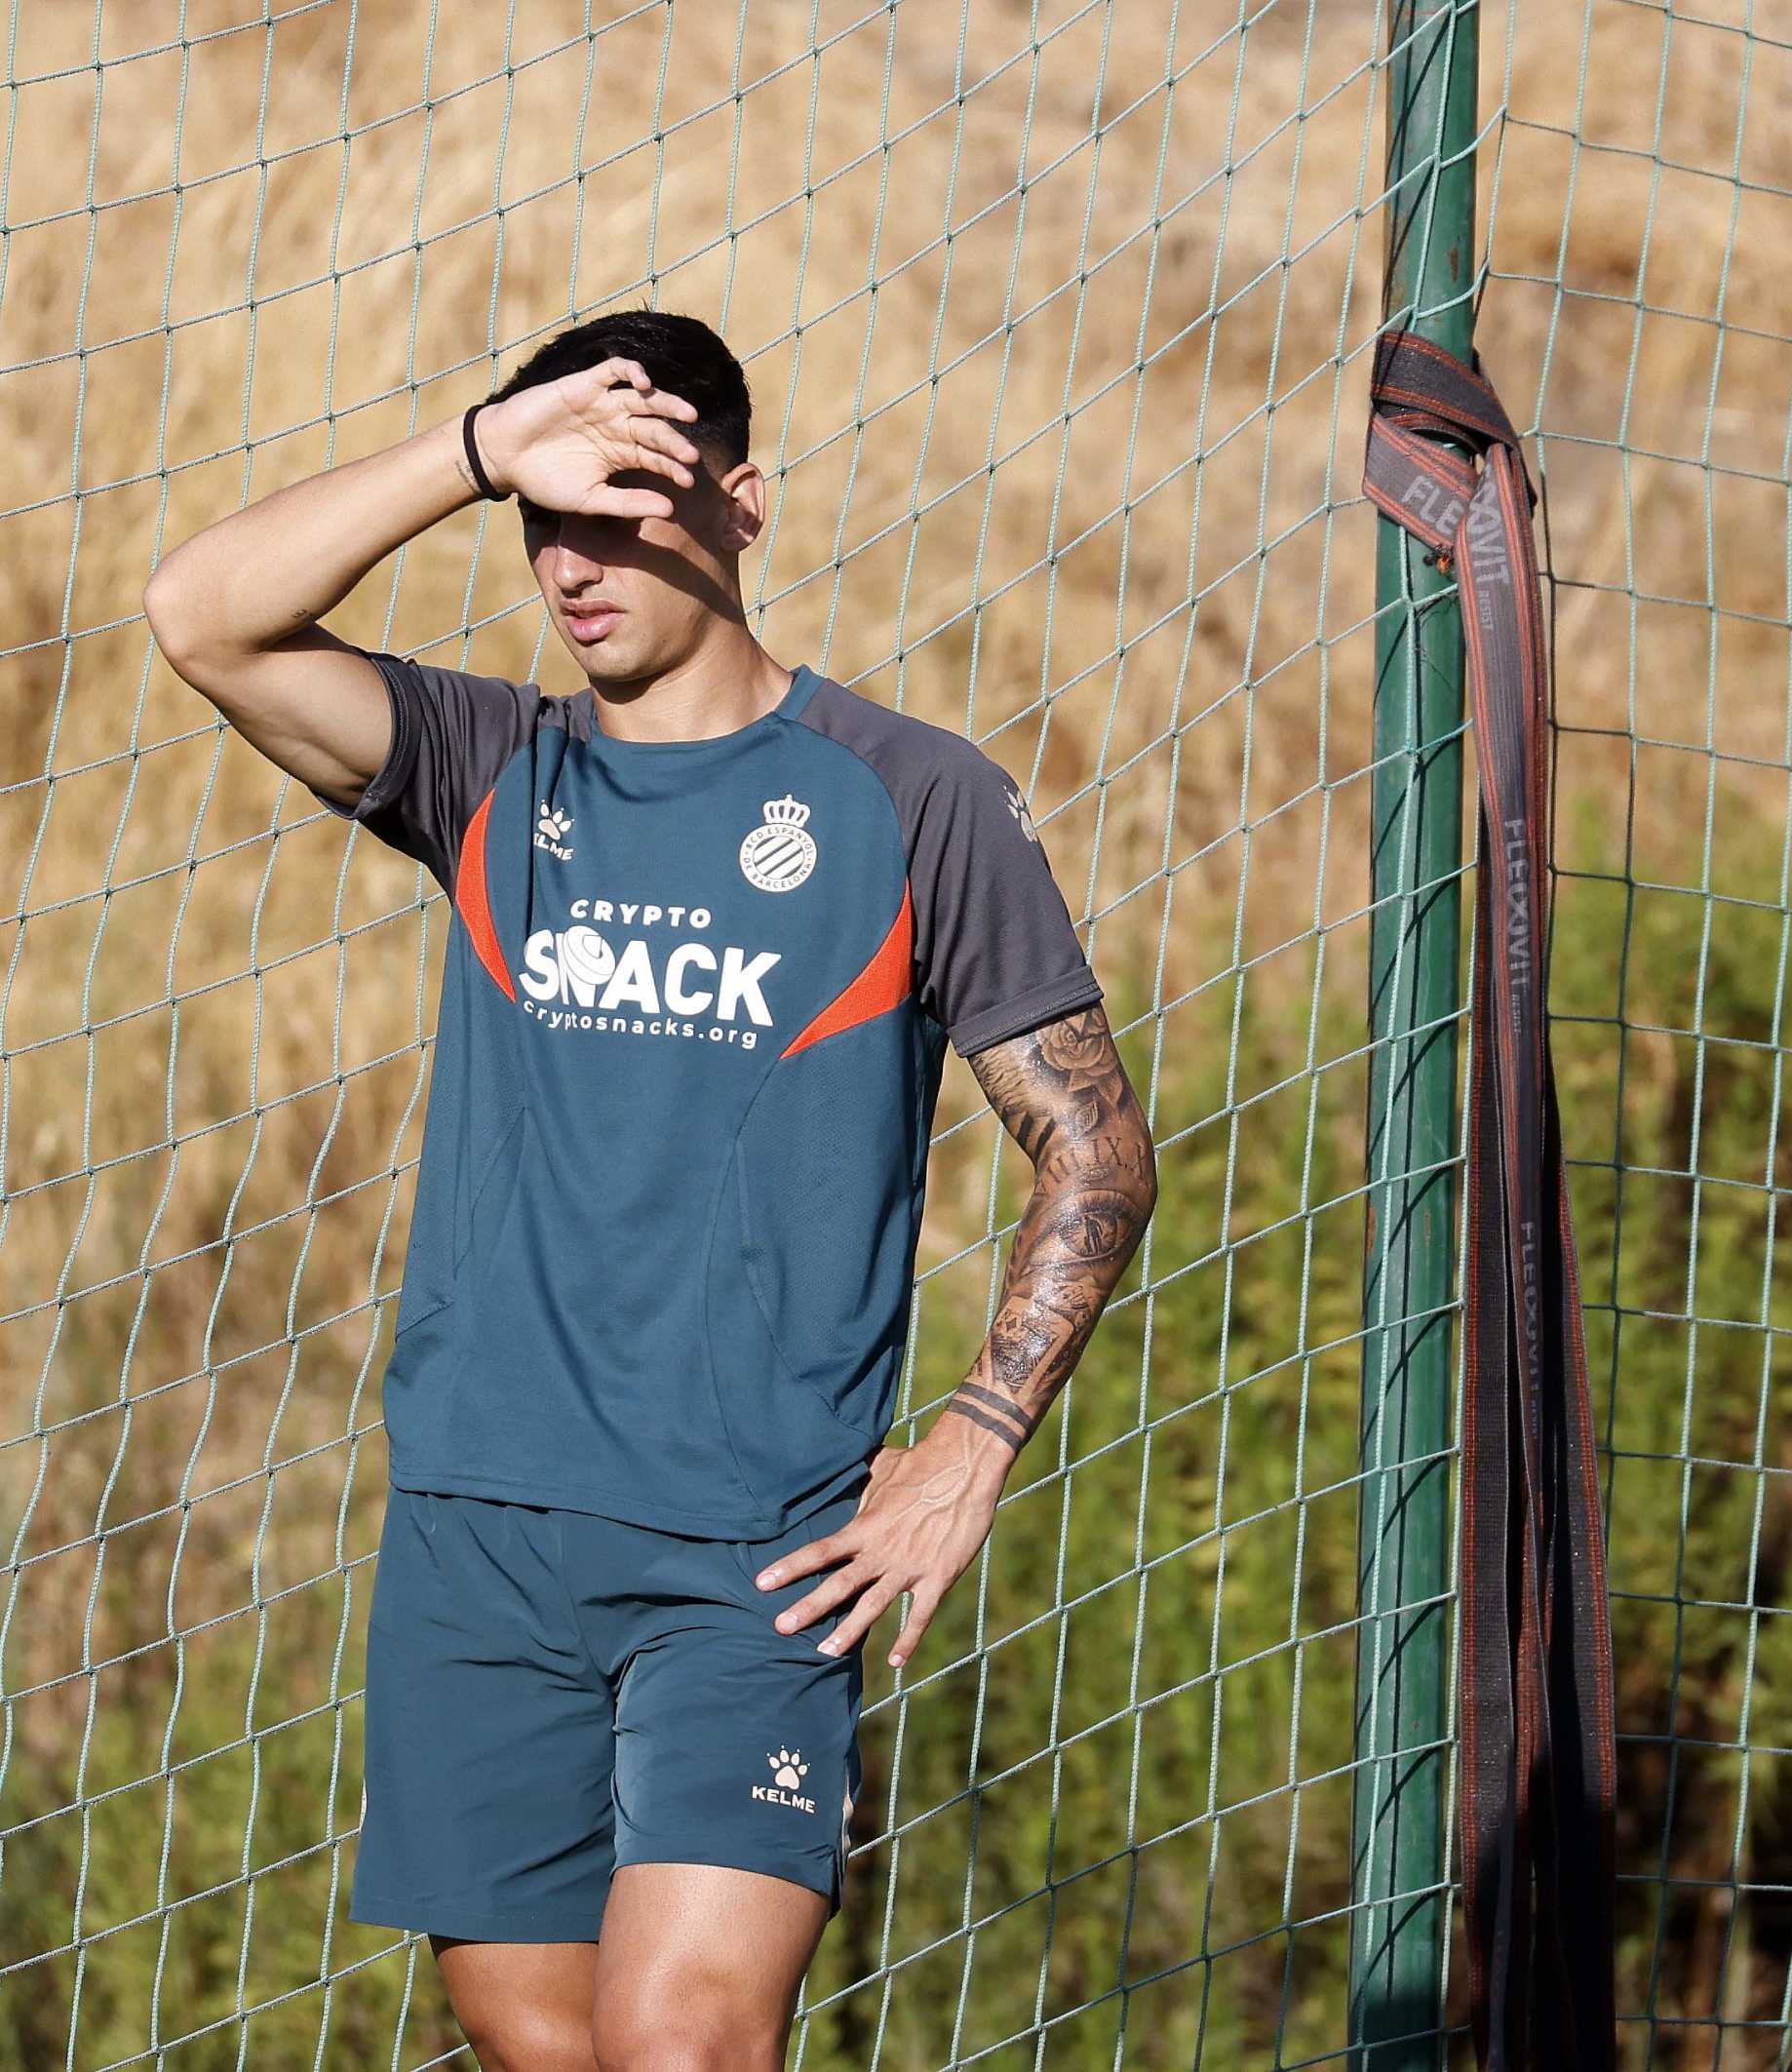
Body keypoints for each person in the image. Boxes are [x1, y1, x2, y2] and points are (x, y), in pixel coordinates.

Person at [142, 310, 1156, 2070]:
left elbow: (1097, 1145)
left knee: (683, 2042)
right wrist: (479, 450)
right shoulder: (489, 765)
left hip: (753, 1555)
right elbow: (201, 615)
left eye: (621, 511)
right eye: (548, 519)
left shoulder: (908, 796)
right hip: (478, 1533)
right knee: (543, 2044)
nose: (573, 562)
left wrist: (976, 1440)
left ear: (741, 508)